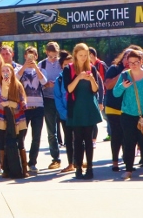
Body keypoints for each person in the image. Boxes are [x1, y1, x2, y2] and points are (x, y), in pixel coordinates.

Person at [113, 50, 143, 179]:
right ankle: (128, 169)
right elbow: (115, 93)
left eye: (136, 62)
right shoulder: (124, 75)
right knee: (129, 142)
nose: (133, 65)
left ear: (141, 62)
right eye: (130, 62)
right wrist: (122, 86)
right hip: (127, 114)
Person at [64, 43, 102, 180]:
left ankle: (90, 168)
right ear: (75, 55)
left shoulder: (92, 68)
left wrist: (91, 78)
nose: (83, 58)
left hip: (89, 108)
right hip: (76, 108)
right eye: (81, 55)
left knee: (89, 140)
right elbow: (68, 89)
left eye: (85, 55)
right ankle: (78, 167)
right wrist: (79, 77)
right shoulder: (69, 69)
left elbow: (95, 89)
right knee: (78, 140)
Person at [15, 46, 50, 175]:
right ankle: (20, 161)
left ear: (36, 57)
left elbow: (44, 81)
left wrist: (35, 68)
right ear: (25, 56)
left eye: (33, 55)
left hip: (38, 107)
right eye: (28, 55)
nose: (31, 57)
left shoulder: (41, 70)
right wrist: (24, 67)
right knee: (21, 135)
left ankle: (32, 162)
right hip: (24, 108)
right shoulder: (19, 69)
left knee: (36, 136)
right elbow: (15, 79)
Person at [104, 48, 139, 172]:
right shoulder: (114, 69)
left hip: (129, 108)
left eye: (131, 58)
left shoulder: (137, 71)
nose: (128, 61)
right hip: (113, 107)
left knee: (128, 136)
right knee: (116, 135)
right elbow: (107, 85)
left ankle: (128, 161)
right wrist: (122, 74)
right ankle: (115, 162)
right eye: (126, 57)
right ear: (122, 58)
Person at [0, 62, 27, 178]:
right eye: (3, 71)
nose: (6, 73)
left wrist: (10, 103)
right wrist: (5, 88)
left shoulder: (18, 85)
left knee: (20, 141)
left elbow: (22, 104)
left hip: (17, 117)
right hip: (1, 117)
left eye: (8, 71)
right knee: (2, 142)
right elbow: (0, 100)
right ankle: (4, 168)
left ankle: (24, 168)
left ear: (12, 72)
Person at [39, 42, 63, 170]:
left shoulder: (62, 63)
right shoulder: (41, 64)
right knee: (51, 131)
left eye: (55, 56)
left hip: (61, 99)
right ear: (47, 53)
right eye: (51, 56)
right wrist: (45, 85)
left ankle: (74, 158)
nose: (54, 59)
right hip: (48, 99)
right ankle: (55, 158)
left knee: (67, 128)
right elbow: (37, 83)